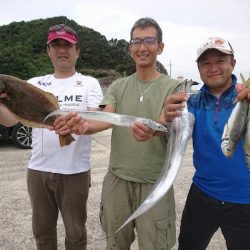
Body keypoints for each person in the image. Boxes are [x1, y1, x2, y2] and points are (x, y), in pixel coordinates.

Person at [54, 17, 179, 249]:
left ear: (160, 47)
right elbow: (106, 118)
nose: (142, 47)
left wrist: (155, 131)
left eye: (150, 40)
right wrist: (83, 127)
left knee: (156, 245)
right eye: (136, 41)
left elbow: (167, 121)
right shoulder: (117, 86)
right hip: (117, 180)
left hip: (155, 181)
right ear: (130, 48)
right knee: (114, 243)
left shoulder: (173, 87)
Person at [165, 37, 250, 250]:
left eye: (220, 60)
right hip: (202, 194)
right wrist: (165, 118)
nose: (213, 68)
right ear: (199, 69)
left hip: (245, 201)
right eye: (206, 63)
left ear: (233, 63)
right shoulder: (191, 102)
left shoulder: (246, 99)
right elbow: (171, 130)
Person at [26, 24, 103, 250]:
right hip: (38, 169)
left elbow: (96, 119)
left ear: (77, 50)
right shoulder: (34, 84)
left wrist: (82, 125)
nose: (62, 50)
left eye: (67, 45)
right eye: (56, 45)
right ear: (48, 50)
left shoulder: (89, 83)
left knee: (75, 233)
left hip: (74, 171)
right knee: (42, 231)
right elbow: (10, 120)